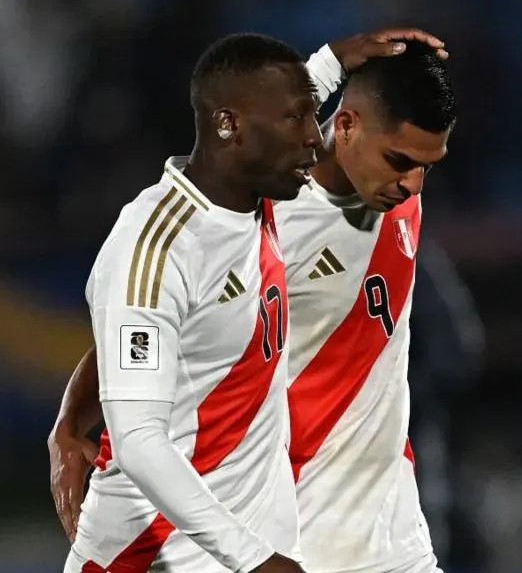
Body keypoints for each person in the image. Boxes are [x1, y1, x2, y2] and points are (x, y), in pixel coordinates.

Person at [52, 34, 454, 573]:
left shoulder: (377, 181)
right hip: (291, 532)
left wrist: (335, 59)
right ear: (350, 126)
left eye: (427, 166)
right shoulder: (270, 210)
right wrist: (73, 416)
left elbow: (279, 102)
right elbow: (150, 322)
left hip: (390, 532)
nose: (413, 183)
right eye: (400, 161)